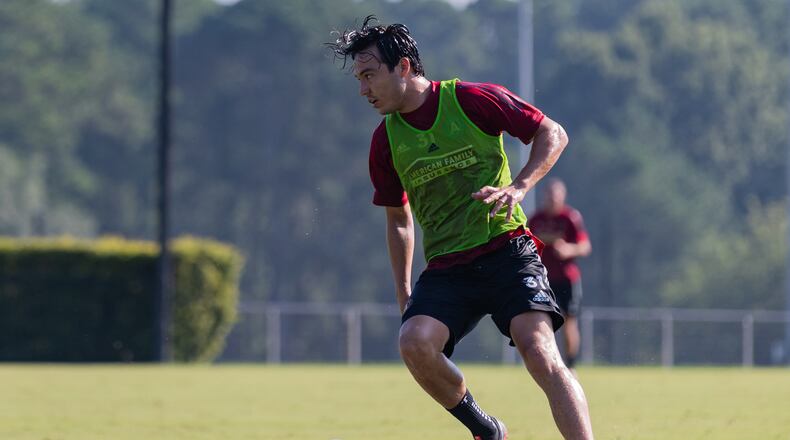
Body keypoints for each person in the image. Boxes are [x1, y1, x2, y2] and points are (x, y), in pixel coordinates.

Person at [329, 16, 594, 440]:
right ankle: (487, 430)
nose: (363, 90)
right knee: (413, 343)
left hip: (507, 249)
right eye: (359, 79)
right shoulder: (385, 141)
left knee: (541, 354)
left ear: (403, 67)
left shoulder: (470, 100)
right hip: (449, 268)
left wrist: (520, 186)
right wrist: (403, 293)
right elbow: (399, 220)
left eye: (368, 75)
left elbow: (552, 132)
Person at [529, 178, 592, 370]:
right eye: (549, 195)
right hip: (542, 279)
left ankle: (570, 365)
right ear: (544, 196)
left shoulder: (570, 218)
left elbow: (585, 246)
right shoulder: (536, 220)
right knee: (541, 322)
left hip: (566, 279)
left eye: (556, 196)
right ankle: (549, 364)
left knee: (569, 322)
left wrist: (568, 250)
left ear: (562, 197)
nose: (552, 199)